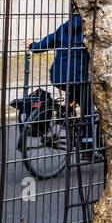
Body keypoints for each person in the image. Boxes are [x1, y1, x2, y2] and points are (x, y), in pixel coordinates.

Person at [29, 12, 97, 149]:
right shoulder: (88, 31)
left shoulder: (63, 28)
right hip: (78, 78)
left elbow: (46, 43)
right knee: (88, 108)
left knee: (73, 92)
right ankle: (87, 145)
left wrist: (32, 46)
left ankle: (66, 114)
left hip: (58, 76)